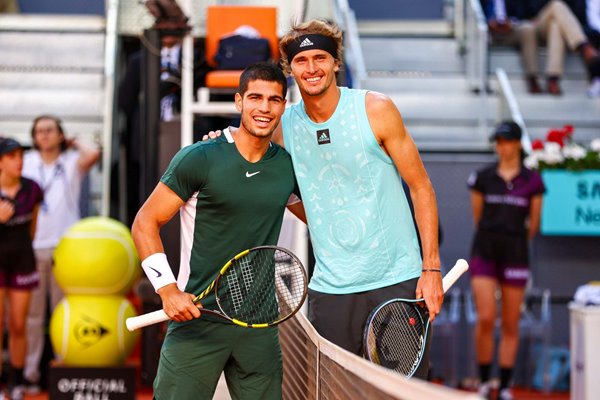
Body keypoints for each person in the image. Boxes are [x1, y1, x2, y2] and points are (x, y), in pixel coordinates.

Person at [205, 19, 444, 379]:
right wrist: (215, 144)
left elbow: (421, 186)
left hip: (395, 279)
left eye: (320, 57)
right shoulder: (283, 127)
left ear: (336, 63)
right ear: (290, 69)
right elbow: (249, 157)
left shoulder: (375, 109)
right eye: (301, 61)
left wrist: (431, 268)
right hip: (331, 289)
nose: (312, 68)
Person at [132, 62, 305, 399]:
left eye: (274, 99)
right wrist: (167, 291)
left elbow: (322, 219)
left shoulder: (286, 167)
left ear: (284, 106)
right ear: (239, 101)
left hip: (260, 327)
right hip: (197, 322)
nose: (265, 108)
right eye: (255, 97)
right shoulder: (200, 158)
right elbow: (144, 223)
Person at [20, 115, 100, 392]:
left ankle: (62, 370)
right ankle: (29, 375)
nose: (44, 135)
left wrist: (73, 142)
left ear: (60, 135)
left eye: (49, 130)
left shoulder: (70, 161)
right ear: (33, 136)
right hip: (31, 246)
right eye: (39, 131)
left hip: (66, 248)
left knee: (62, 312)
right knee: (31, 316)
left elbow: (93, 153)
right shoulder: (26, 162)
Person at [467, 121, 545, 400]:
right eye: (498, 141)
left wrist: (514, 239)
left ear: (517, 144)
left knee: (511, 322)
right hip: (485, 251)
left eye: (507, 140)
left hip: (515, 253)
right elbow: (477, 218)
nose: (502, 146)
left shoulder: (532, 180)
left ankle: (506, 385)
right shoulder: (482, 177)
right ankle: (486, 381)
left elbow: (533, 225)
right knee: (486, 317)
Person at [0, 138, 43, 400]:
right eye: (12, 156)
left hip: (23, 260)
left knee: (18, 324)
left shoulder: (32, 188)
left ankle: (17, 382)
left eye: (21, 155)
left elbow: (33, 228)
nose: (19, 161)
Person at [481, 0, 600, 95]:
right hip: (532, 24)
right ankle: (584, 47)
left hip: (553, 23)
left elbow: (578, 13)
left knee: (556, 23)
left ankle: (553, 78)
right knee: (555, 7)